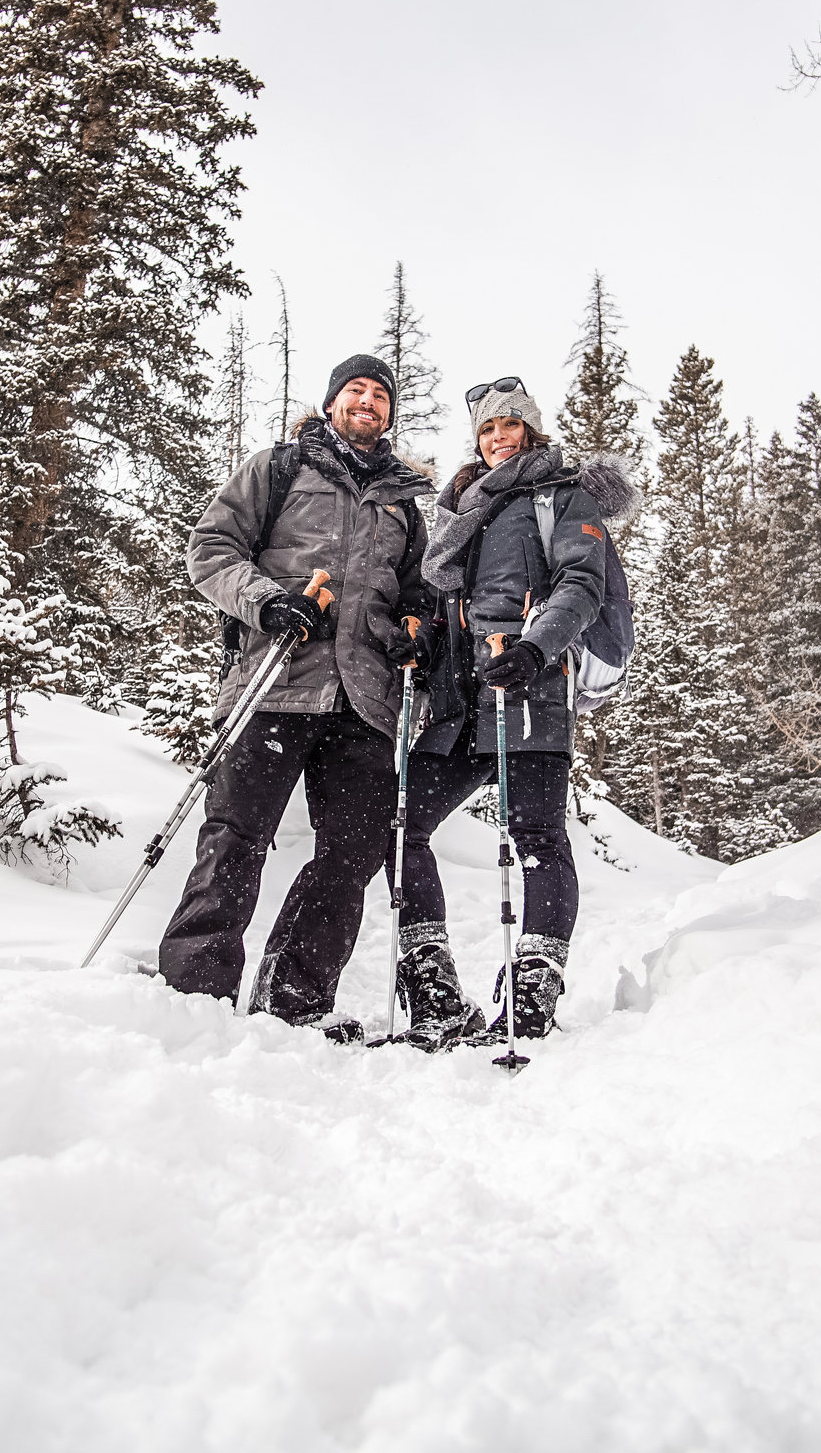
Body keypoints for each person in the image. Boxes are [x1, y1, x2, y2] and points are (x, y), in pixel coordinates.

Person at [157, 354, 435, 1033]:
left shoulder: (403, 501)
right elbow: (212, 550)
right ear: (333, 400)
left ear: (391, 413)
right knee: (235, 837)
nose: (367, 402)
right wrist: (268, 602)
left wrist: (415, 629)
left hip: (364, 701)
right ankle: (195, 995)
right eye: (355, 391)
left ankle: (295, 1004)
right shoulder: (279, 467)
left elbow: (419, 590)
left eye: (380, 395)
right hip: (275, 681)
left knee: (353, 854)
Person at [391, 376, 638, 1048]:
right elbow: (449, 601)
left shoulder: (563, 493)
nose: (498, 437)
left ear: (530, 430)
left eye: (510, 426)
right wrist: (420, 638)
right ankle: (434, 991)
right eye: (487, 429)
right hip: (456, 699)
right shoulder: (460, 506)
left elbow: (582, 583)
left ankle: (531, 996)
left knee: (536, 839)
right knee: (401, 825)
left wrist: (534, 649)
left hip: (528, 689)